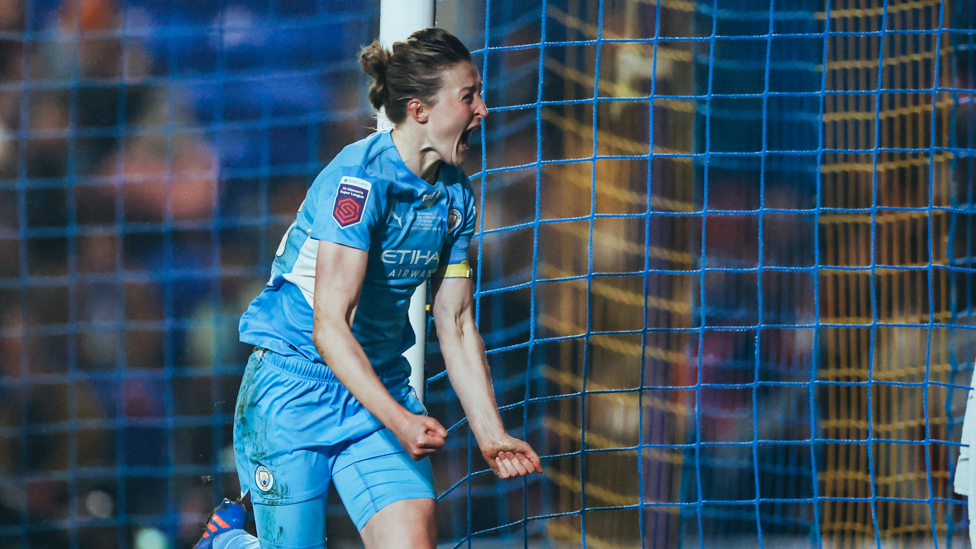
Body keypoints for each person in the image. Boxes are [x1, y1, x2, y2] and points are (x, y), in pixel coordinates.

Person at [195, 28, 542, 549]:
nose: (483, 110)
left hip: (376, 388)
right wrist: (401, 420)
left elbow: (456, 322)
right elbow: (329, 327)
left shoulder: (456, 198)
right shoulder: (358, 182)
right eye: (468, 96)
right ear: (419, 110)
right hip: (293, 389)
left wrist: (492, 436)